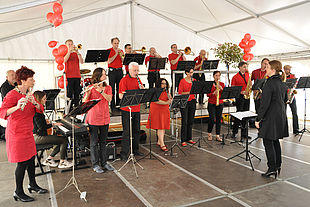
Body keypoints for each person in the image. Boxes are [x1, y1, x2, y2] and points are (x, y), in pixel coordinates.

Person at [0, 66, 48, 202]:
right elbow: (2, 112)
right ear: (23, 80)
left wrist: (35, 103)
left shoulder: (29, 94)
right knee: (22, 163)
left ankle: (32, 184)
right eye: (31, 79)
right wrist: (17, 106)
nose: (34, 81)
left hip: (28, 132)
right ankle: (18, 191)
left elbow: (40, 110)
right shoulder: (12, 95)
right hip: (16, 133)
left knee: (31, 159)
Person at [255, 60, 289, 178]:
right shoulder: (282, 83)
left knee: (268, 141)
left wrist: (258, 119)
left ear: (273, 70)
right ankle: (278, 165)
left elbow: (265, 104)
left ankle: (272, 168)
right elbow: (285, 99)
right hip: (280, 115)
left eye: (268, 66)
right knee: (275, 140)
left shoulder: (269, 83)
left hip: (271, 116)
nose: (266, 68)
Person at [82, 68, 114, 173]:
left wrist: (101, 91)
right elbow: (84, 102)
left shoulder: (108, 87)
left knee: (103, 142)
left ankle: (104, 162)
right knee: (94, 143)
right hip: (93, 118)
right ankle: (95, 164)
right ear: (98, 76)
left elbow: (109, 99)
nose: (105, 76)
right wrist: (88, 92)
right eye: (104, 75)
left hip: (105, 118)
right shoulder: (91, 87)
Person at [32, 91, 73, 169]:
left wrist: (53, 124)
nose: (45, 100)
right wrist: (53, 124)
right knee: (64, 140)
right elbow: (42, 127)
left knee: (58, 139)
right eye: (44, 99)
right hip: (38, 138)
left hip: (37, 136)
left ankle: (49, 159)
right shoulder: (37, 113)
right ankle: (62, 162)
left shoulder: (36, 110)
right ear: (39, 99)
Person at [119, 62, 145, 160]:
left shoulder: (138, 79)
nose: (137, 72)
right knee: (127, 132)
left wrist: (142, 90)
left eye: (137, 70)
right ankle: (124, 153)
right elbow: (120, 95)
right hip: (127, 109)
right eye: (135, 70)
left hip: (136, 108)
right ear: (129, 70)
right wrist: (128, 96)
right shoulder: (124, 80)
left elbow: (141, 94)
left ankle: (135, 150)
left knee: (136, 131)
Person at [146, 78, 172, 152]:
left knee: (162, 126)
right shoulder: (156, 91)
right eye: (162, 84)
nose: (164, 85)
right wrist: (166, 102)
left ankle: (159, 141)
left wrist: (170, 98)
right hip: (157, 109)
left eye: (165, 84)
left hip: (164, 109)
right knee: (160, 126)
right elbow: (155, 100)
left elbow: (168, 99)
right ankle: (162, 143)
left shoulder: (166, 91)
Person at [231, 61, 251, 140]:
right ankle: (234, 132)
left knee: (246, 115)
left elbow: (249, 85)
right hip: (239, 97)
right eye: (244, 67)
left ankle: (244, 133)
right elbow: (233, 89)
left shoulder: (247, 75)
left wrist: (249, 88)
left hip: (247, 97)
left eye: (246, 67)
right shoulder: (235, 77)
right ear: (239, 67)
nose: (245, 68)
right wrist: (241, 92)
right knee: (239, 115)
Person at [178, 68, 197, 147]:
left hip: (192, 101)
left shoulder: (194, 80)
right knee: (184, 121)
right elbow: (180, 92)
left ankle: (189, 138)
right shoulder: (182, 81)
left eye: (192, 72)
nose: (191, 74)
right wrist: (189, 92)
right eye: (190, 72)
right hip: (185, 101)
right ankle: (183, 139)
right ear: (186, 73)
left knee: (191, 121)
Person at [64, 39, 84, 108]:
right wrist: (69, 51)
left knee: (77, 94)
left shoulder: (76, 53)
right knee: (69, 94)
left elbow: (82, 61)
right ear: (66, 46)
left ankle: (77, 108)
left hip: (77, 76)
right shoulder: (65, 53)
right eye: (69, 44)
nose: (70, 45)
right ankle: (68, 109)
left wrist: (77, 52)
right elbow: (64, 60)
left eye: (71, 44)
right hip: (69, 76)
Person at [207, 71, 225, 142]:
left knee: (218, 119)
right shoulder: (210, 84)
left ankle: (218, 135)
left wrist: (221, 88)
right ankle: (209, 133)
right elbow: (207, 95)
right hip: (211, 103)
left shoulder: (222, 84)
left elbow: (224, 93)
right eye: (216, 75)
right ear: (213, 76)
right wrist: (213, 93)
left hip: (220, 103)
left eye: (218, 76)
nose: (217, 77)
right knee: (211, 118)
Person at [107, 37, 124, 110]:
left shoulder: (121, 51)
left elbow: (123, 60)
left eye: (117, 43)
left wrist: (121, 55)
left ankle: (119, 104)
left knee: (119, 88)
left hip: (119, 70)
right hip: (112, 71)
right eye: (115, 43)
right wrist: (116, 53)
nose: (116, 45)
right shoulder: (109, 51)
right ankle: (112, 105)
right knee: (112, 88)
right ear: (112, 43)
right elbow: (109, 61)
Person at [284, 65, 300, 135]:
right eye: (287, 69)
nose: (289, 71)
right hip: (284, 96)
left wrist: (295, 85)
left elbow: (295, 85)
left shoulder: (293, 76)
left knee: (295, 113)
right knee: (284, 113)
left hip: (291, 95)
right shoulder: (282, 77)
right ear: (284, 70)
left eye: (290, 69)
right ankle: (284, 130)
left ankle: (296, 129)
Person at [0, 70, 17, 141]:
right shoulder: (4, 87)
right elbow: (8, 100)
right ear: (7, 77)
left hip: (16, 107)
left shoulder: (16, 84)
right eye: (12, 75)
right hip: (9, 109)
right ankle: (7, 136)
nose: (14, 76)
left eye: (15, 75)